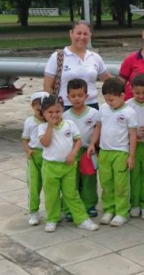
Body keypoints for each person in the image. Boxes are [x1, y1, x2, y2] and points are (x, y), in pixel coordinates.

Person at [38, 96, 99, 232]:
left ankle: (82, 219)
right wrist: (50, 126)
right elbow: (45, 143)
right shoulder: (42, 128)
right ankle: (52, 219)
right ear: (44, 114)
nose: (54, 115)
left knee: (71, 193)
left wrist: (73, 153)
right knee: (51, 195)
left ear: (62, 111)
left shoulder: (70, 124)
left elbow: (77, 141)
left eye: (58, 111)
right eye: (50, 112)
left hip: (69, 166)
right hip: (50, 167)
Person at [97, 78, 137, 227]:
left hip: (120, 152)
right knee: (106, 182)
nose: (109, 103)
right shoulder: (103, 109)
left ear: (122, 96)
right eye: (107, 100)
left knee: (121, 184)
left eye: (112, 100)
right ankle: (109, 208)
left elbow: (133, 135)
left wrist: (131, 156)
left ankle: (121, 212)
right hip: (104, 151)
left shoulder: (129, 112)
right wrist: (93, 145)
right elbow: (98, 127)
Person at [43, 20, 112, 109]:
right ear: (71, 33)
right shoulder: (57, 57)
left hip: (91, 106)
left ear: (90, 35)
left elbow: (109, 81)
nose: (82, 37)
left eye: (85, 34)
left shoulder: (95, 57)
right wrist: (52, 107)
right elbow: (47, 86)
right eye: (78, 33)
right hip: (65, 106)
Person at [63, 79, 101, 220]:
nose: (77, 99)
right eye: (73, 96)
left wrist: (93, 145)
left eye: (80, 95)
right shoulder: (65, 116)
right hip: (72, 152)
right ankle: (69, 207)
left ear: (86, 96)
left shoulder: (94, 113)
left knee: (89, 179)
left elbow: (98, 130)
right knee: (70, 181)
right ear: (68, 97)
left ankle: (89, 205)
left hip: (88, 151)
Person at [126, 74, 144, 220]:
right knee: (134, 177)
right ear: (131, 89)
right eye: (138, 93)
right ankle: (135, 204)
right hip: (134, 147)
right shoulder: (128, 105)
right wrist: (134, 137)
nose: (141, 96)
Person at [22, 91, 48, 226]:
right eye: (38, 109)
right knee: (34, 184)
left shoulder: (51, 122)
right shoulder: (30, 122)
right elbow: (25, 139)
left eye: (43, 110)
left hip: (48, 155)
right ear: (33, 107)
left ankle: (54, 210)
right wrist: (28, 151)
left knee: (51, 185)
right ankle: (33, 211)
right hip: (34, 156)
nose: (41, 113)